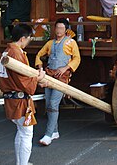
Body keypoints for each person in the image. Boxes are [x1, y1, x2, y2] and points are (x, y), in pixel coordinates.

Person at [0, 24, 45, 165]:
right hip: (19, 98)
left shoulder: (7, 51)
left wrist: (36, 78)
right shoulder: (16, 53)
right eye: (29, 38)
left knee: (21, 131)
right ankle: (22, 163)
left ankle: (21, 162)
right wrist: (38, 78)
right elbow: (23, 81)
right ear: (23, 38)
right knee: (26, 133)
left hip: (11, 96)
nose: (29, 41)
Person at [35, 18, 81, 146]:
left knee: (54, 104)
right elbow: (39, 55)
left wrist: (66, 67)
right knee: (48, 103)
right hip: (49, 75)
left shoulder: (71, 42)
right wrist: (40, 68)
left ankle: (48, 134)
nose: (59, 31)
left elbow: (77, 58)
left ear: (66, 30)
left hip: (62, 77)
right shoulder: (50, 43)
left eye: (61, 28)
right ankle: (54, 131)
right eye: (57, 28)